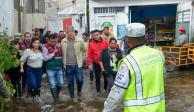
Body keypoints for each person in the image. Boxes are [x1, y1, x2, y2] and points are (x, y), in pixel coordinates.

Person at [103, 23, 165, 112]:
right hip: (159, 108)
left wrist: (106, 110)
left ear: (127, 40)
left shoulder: (128, 62)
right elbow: (162, 76)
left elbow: (117, 92)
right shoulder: (159, 54)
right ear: (145, 38)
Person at [61, 26, 85, 99]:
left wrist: (83, 59)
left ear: (74, 32)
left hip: (78, 64)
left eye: (71, 31)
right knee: (70, 82)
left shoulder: (80, 40)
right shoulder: (63, 41)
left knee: (80, 80)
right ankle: (72, 97)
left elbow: (84, 49)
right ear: (66, 33)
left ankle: (79, 91)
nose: (69, 33)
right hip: (67, 65)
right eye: (68, 32)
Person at [20, 38, 44, 102]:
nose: (36, 44)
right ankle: (33, 98)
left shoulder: (41, 51)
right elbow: (22, 60)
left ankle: (37, 97)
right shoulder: (28, 51)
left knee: (38, 84)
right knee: (33, 84)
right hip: (31, 69)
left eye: (38, 43)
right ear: (32, 43)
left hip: (39, 70)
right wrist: (22, 68)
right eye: (35, 43)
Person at [43, 33, 64, 102]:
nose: (53, 43)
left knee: (61, 83)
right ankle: (55, 100)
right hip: (50, 68)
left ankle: (56, 95)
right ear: (48, 40)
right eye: (52, 41)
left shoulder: (59, 45)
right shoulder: (45, 47)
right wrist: (53, 54)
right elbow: (45, 58)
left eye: (55, 41)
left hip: (59, 67)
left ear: (57, 40)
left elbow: (62, 55)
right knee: (52, 84)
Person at [87, 30, 109, 96]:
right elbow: (89, 55)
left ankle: (105, 89)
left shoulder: (105, 42)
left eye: (96, 35)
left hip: (104, 63)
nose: (95, 36)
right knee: (97, 77)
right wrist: (89, 64)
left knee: (106, 76)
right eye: (93, 35)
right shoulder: (91, 44)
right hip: (95, 63)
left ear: (100, 34)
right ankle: (98, 92)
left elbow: (109, 52)